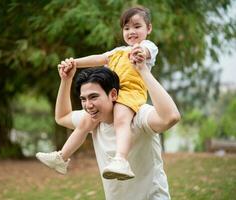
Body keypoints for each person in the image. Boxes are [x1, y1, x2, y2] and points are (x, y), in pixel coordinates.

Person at [36, 5, 159, 180]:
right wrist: (74, 63)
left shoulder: (147, 46)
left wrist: (140, 53)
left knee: (121, 120)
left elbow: (147, 52)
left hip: (131, 92)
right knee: (86, 122)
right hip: (112, 92)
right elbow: (98, 58)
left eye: (137, 26)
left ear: (149, 28)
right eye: (126, 28)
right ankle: (61, 157)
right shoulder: (118, 52)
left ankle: (121, 159)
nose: (131, 31)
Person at [40, 54, 180, 199]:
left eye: (94, 97)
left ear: (113, 94)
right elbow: (62, 117)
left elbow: (171, 117)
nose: (88, 105)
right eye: (83, 99)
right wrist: (66, 80)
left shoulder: (139, 115)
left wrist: (143, 71)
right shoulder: (92, 120)